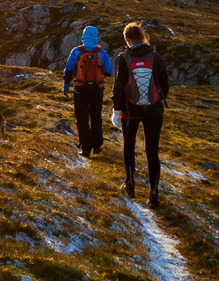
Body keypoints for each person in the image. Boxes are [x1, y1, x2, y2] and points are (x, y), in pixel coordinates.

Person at [112, 21, 169, 206]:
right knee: (152, 151)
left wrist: (116, 110)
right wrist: (158, 101)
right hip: (154, 111)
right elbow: (164, 83)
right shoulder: (155, 56)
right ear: (142, 37)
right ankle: (153, 192)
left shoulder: (123, 58)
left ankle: (130, 184)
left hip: (130, 112)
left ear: (127, 39)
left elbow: (118, 87)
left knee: (129, 147)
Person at [63, 25, 113, 157]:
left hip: (80, 89)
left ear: (83, 36)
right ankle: (97, 146)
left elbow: (68, 70)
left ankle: (85, 148)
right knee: (96, 116)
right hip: (97, 90)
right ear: (96, 37)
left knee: (82, 118)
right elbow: (109, 72)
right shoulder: (101, 53)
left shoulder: (76, 51)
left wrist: (66, 85)